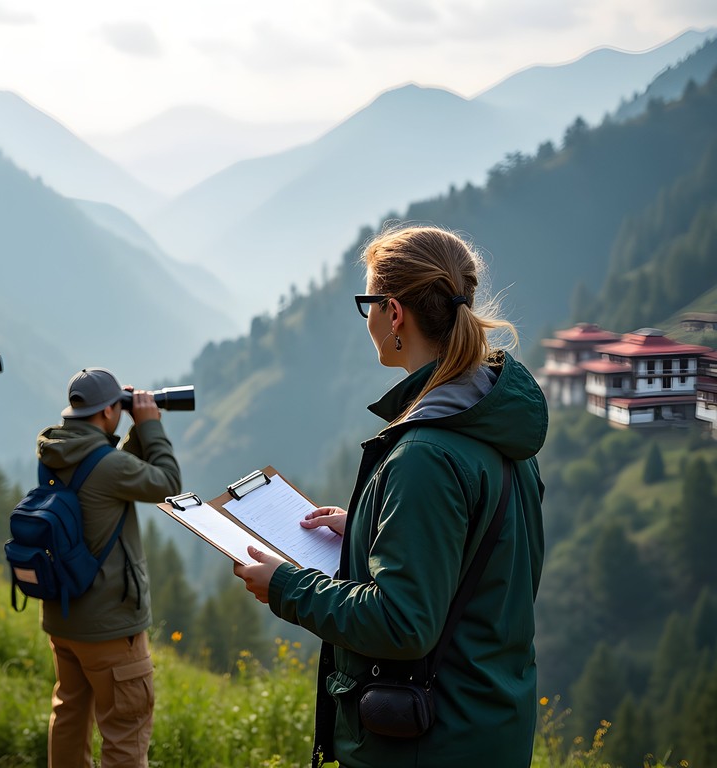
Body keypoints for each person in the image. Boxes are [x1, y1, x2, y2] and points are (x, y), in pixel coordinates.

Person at [233, 225, 547, 768]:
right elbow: (476, 551)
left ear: (394, 312)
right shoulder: (495, 424)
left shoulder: (426, 453)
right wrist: (367, 522)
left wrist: (285, 586)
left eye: (369, 304)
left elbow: (403, 623)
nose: (369, 319)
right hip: (487, 724)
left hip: (428, 744)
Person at [37, 367, 182, 768]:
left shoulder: (56, 451)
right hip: (110, 628)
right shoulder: (106, 465)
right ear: (105, 414)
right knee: (125, 732)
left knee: (69, 715)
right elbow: (167, 482)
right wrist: (150, 426)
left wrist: (133, 430)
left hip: (64, 618)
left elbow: (108, 472)